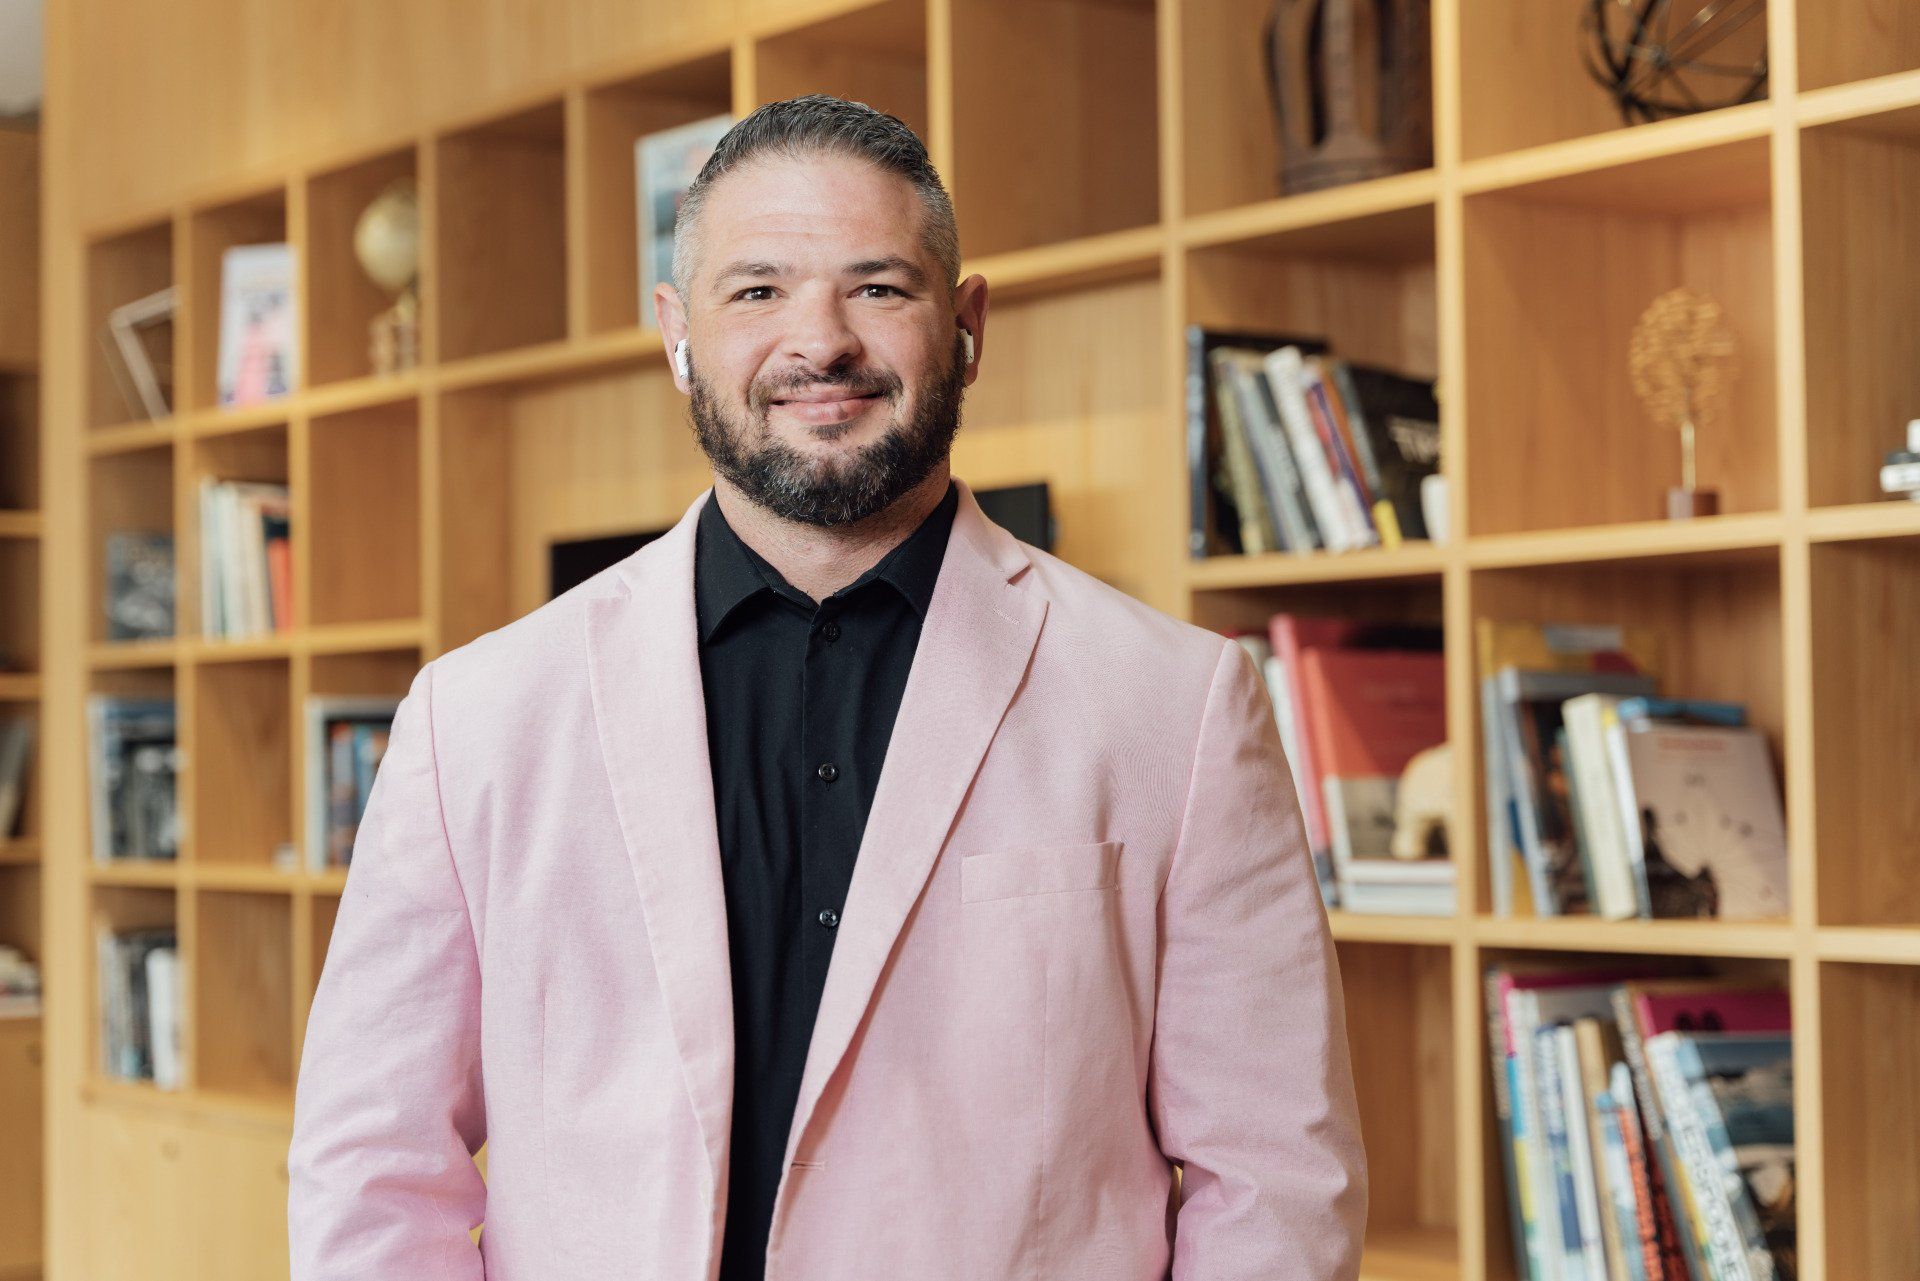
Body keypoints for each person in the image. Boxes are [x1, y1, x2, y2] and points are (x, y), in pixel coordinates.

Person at [287, 93, 1366, 1281]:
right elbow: (373, 1166)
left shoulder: (1181, 706)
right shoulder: (477, 716)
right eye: (757, 290)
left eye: (879, 287)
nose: (821, 342)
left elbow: (1274, 1184)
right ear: (675, 332)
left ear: (965, 327)